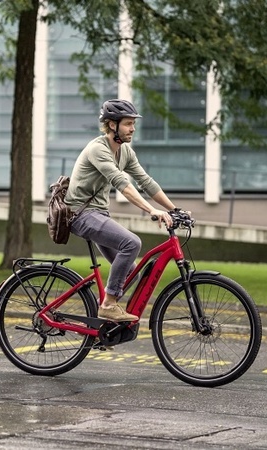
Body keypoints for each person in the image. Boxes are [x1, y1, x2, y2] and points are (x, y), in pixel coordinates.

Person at [65, 99, 186, 322]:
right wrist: (152, 210)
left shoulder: (125, 152)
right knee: (131, 243)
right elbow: (123, 184)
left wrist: (175, 209)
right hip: (80, 214)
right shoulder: (98, 149)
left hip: (99, 214)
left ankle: (106, 328)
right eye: (128, 124)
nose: (133, 128)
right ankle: (109, 305)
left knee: (132, 272)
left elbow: (146, 182)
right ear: (112, 125)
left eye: (133, 124)